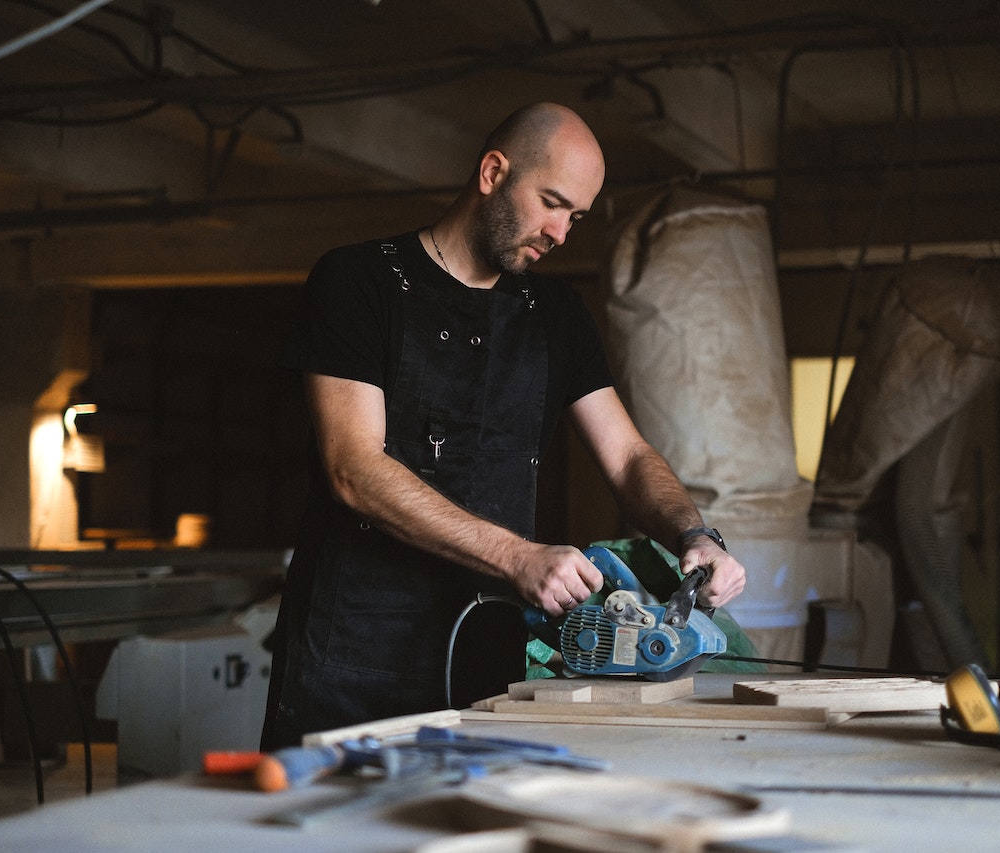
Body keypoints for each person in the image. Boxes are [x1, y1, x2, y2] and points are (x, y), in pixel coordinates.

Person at [260, 102, 747, 749]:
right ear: (493, 172)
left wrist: (695, 534)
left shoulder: (556, 315)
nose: (561, 233)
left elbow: (628, 456)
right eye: (551, 202)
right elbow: (355, 468)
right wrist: (516, 554)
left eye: (574, 217)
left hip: (487, 656)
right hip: (352, 652)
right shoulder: (359, 281)